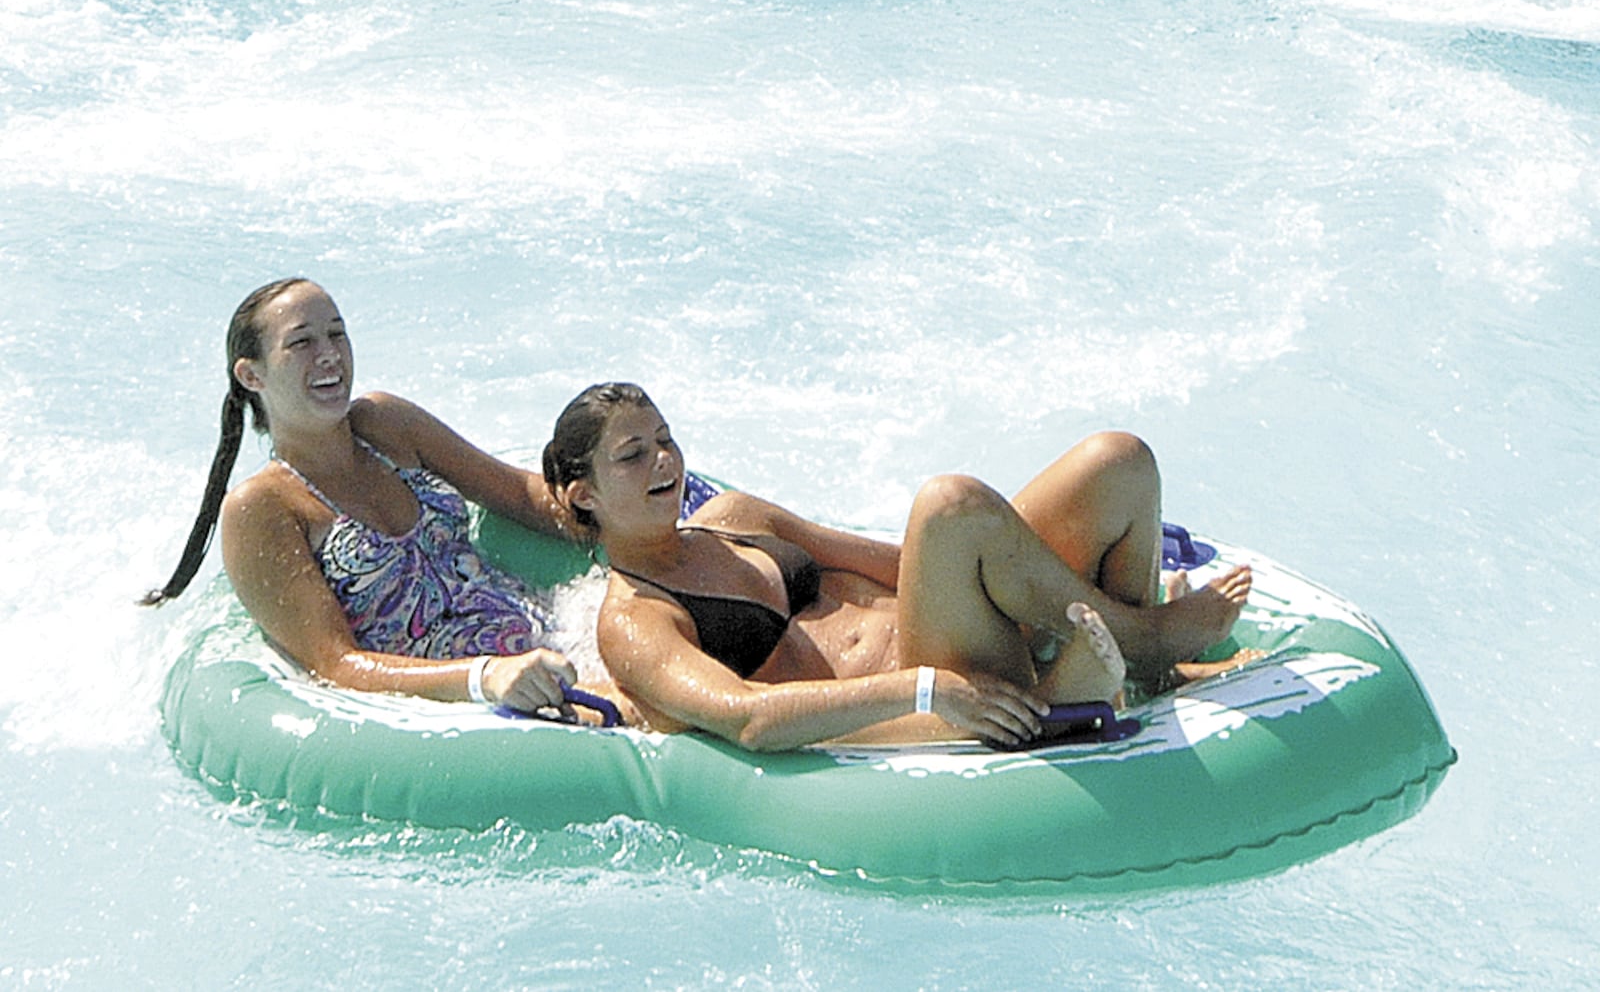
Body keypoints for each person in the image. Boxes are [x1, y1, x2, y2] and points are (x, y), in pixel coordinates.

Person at [541, 383, 1254, 755]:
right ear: (583, 494)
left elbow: (894, 562)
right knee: (945, 504)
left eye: (665, 439)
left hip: (968, 627)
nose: (663, 460)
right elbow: (747, 717)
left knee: (1117, 459)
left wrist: (1021, 579)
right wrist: (925, 690)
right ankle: (1139, 644)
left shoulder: (734, 517)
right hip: (942, 683)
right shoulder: (635, 619)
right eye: (632, 454)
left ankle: (1140, 662)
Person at [143, 277, 591, 720]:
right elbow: (336, 665)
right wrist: (485, 678)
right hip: (470, 701)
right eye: (301, 343)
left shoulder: (386, 425)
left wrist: (631, 519)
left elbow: (516, 493)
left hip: (550, 636)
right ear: (251, 374)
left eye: (337, 333)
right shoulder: (264, 507)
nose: (330, 355)